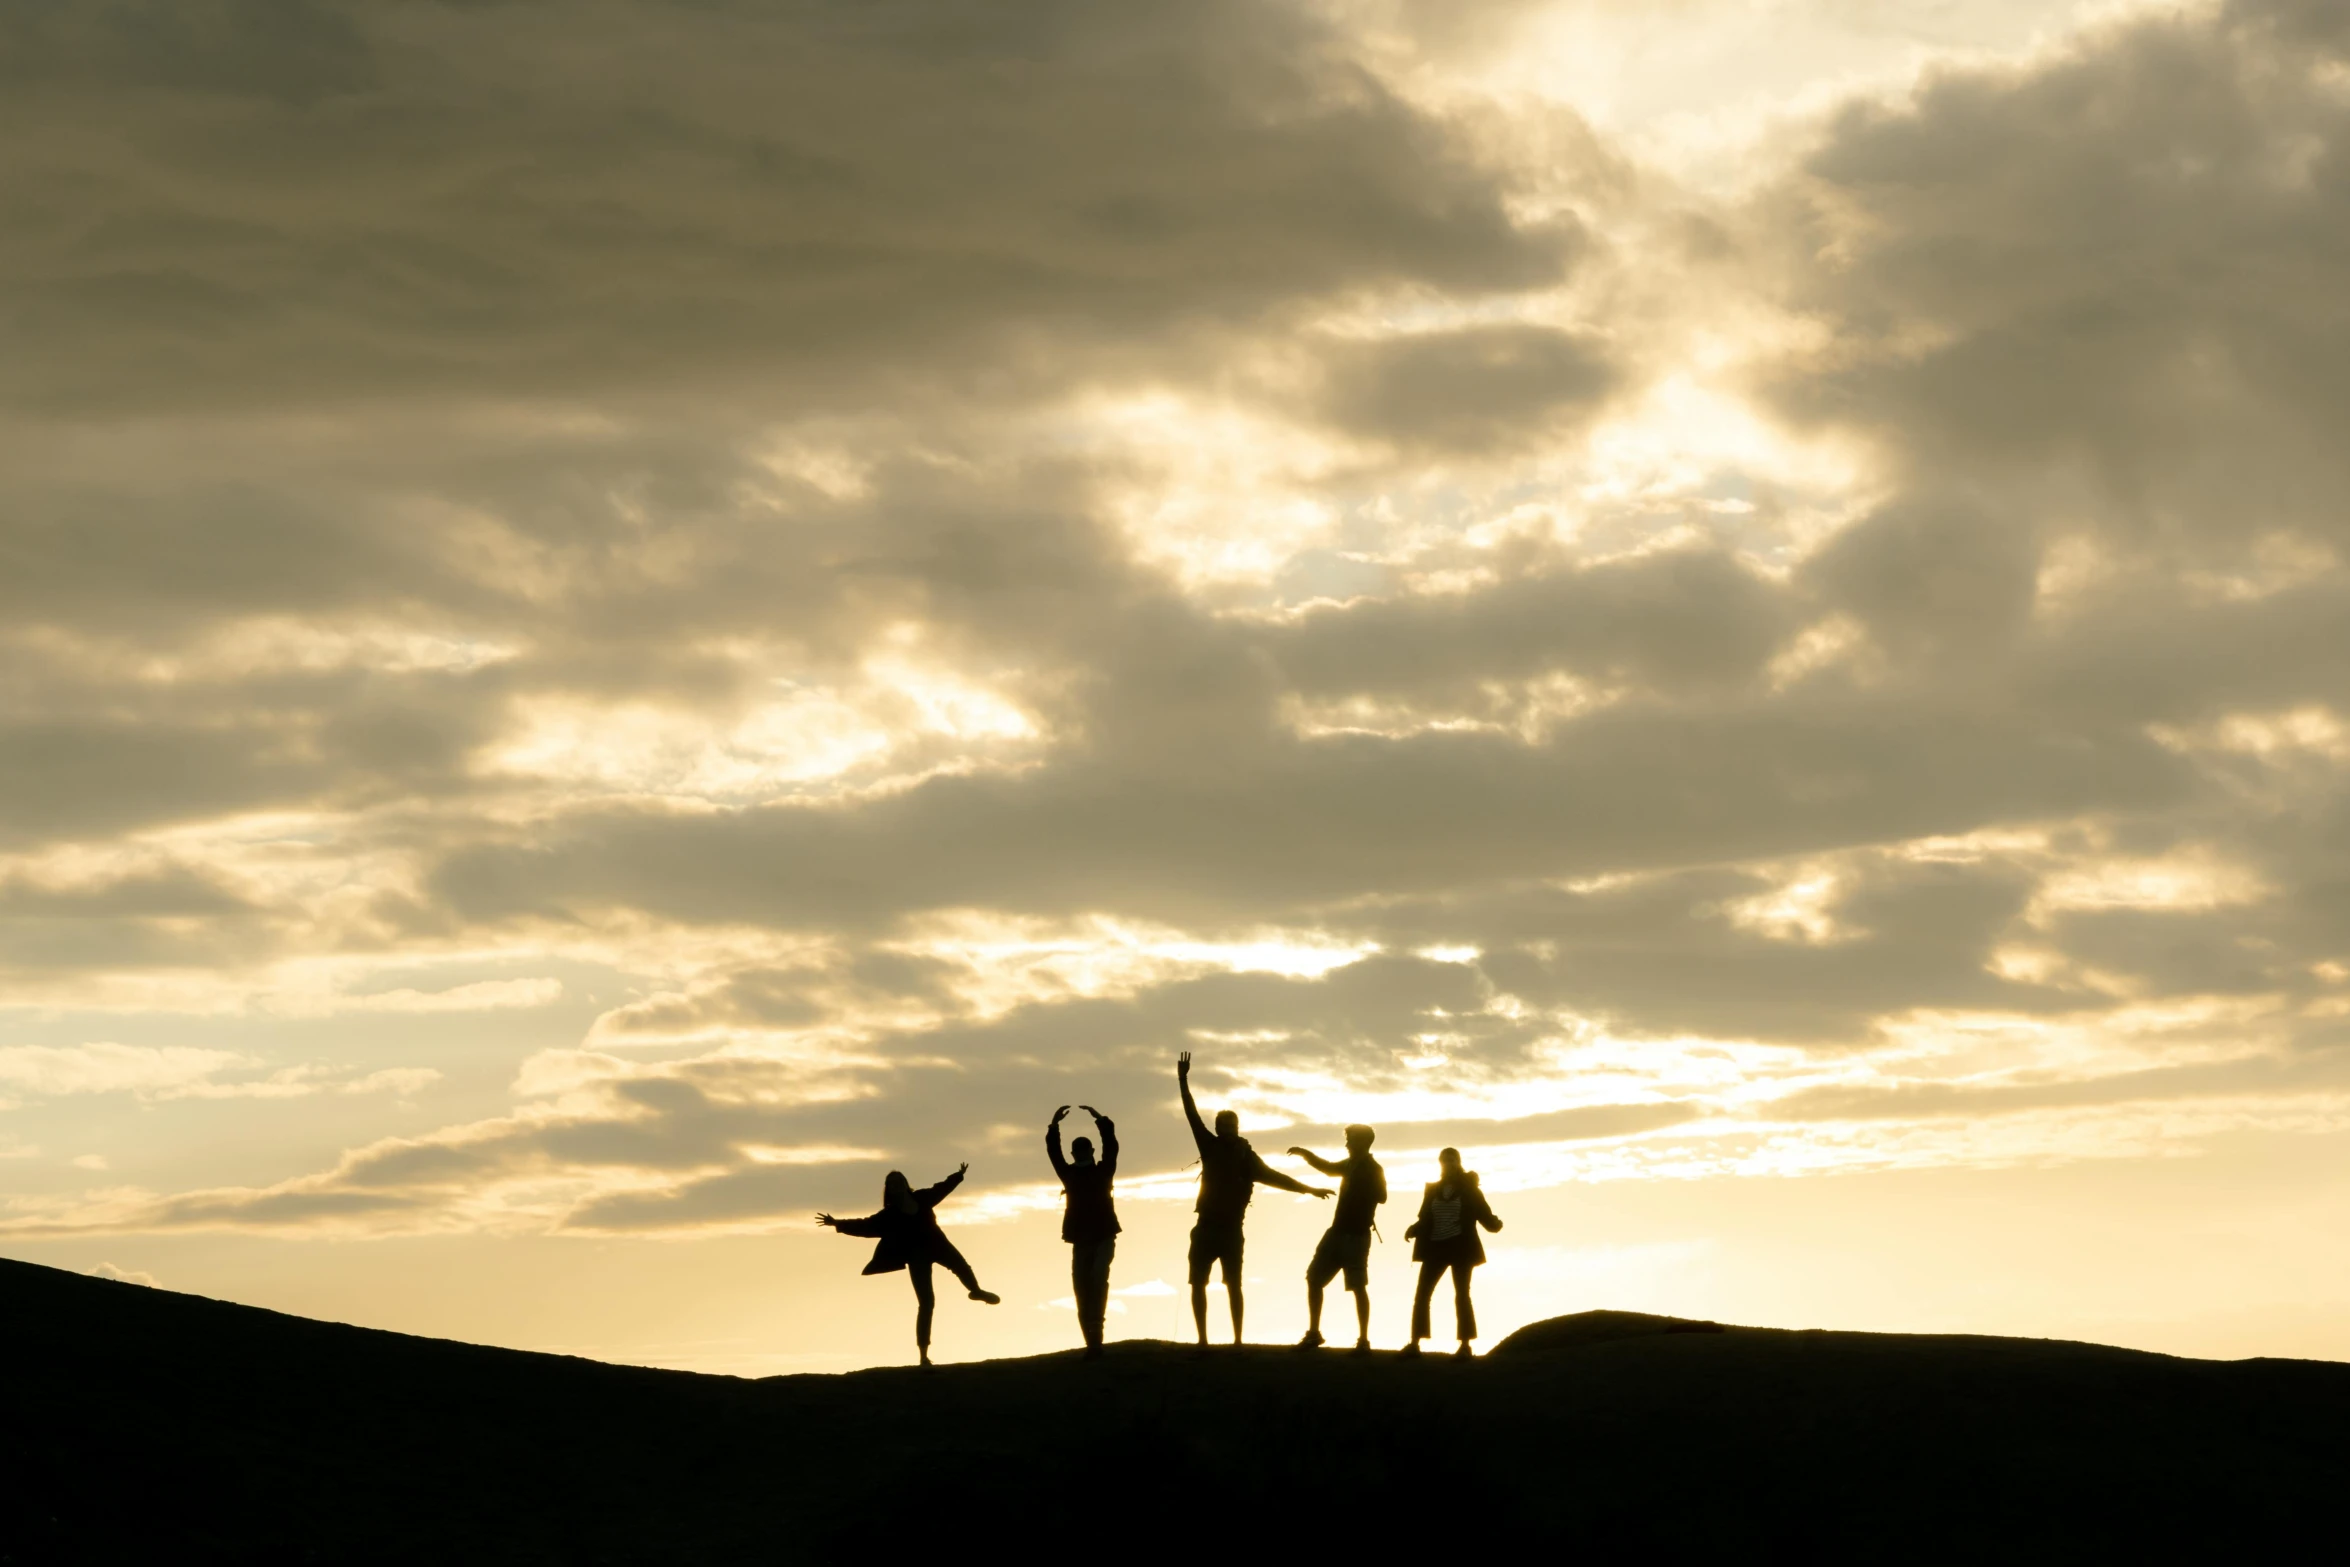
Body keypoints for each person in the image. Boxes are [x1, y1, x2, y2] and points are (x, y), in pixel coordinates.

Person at [1177, 1050, 1331, 1346]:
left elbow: (1276, 1178)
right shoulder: (1209, 1146)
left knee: (1233, 1285)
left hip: (1231, 1230)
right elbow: (1191, 1114)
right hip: (1206, 1227)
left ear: (1237, 1128)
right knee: (1198, 1283)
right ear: (1219, 1129)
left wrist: (1310, 1190)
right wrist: (1182, 1080)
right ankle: (1203, 1342)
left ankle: (1237, 1342)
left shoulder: (1246, 1156)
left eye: (1232, 1127)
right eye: (1224, 1127)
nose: (1227, 1131)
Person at [817, 1164, 1001, 1367]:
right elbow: (865, 1225)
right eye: (891, 1184)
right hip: (917, 1258)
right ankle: (923, 1355)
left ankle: (976, 1291)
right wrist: (837, 1224)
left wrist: (957, 1176)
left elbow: (940, 1189)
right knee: (927, 1303)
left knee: (963, 1267)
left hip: (939, 1245)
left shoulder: (922, 1198)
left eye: (899, 1182)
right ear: (889, 1189)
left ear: (906, 1184)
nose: (896, 1186)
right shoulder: (889, 1216)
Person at [1287, 1123, 1386, 1352]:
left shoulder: (1372, 1168)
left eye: (1350, 1140)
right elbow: (1329, 1168)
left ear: (1363, 1142)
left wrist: (1361, 1188)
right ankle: (1314, 1333)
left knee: (1358, 1286)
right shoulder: (1350, 1164)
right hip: (1337, 1232)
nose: (1347, 1144)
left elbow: (1382, 1196)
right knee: (1314, 1278)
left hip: (1356, 1235)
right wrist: (1306, 1155)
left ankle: (1363, 1339)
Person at [1401, 1146, 1502, 1359]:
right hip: (1435, 1248)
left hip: (1461, 1249)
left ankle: (1465, 1346)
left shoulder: (1469, 1189)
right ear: (1440, 1164)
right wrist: (1414, 1228)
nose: (1448, 1164)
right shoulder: (1432, 1190)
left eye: (1451, 1160)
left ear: (1458, 1162)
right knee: (1422, 1295)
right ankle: (1414, 1343)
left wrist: (1495, 1224)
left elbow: (1485, 1215)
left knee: (1462, 1295)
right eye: (1444, 1161)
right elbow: (1425, 1218)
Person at [1046, 1103, 1120, 1359]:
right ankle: (1092, 1344)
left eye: (1083, 1149)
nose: (1080, 1153)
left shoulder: (1103, 1171)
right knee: (1082, 1288)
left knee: (1097, 1281)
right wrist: (1054, 1126)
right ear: (1074, 1152)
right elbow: (1053, 1153)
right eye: (1077, 1150)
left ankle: (1095, 1340)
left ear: (1090, 1150)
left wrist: (1102, 1121)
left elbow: (1111, 1147)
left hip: (1103, 1237)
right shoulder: (1069, 1174)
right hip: (1081, 1239)